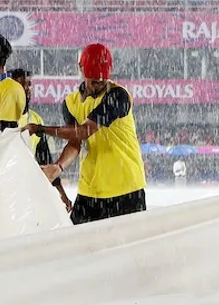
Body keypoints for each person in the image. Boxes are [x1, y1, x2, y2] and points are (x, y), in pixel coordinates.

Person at [25, 43, 147, 225]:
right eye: (93, 81)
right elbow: (74, 142)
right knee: (77, 247)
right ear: (80, 69)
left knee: (129, 251)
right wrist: (58, 167)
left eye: (101, 80)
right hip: (90, 190)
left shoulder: (118, 96)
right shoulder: (70, 103)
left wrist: (42, 129)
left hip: (127, 189)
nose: (97, 85)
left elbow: (83, 132)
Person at [11, 68, 71, 213]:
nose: (26, 89)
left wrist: (61, 194)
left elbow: (45, 159)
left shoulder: (36, 120)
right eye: (21, 84)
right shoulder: (6, 117)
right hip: (9, 185)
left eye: (29, 84)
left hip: (28, 188)